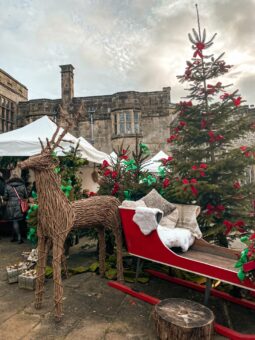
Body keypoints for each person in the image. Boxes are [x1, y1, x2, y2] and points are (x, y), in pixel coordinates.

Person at [4, 172, 28, 244]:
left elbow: (5, 197)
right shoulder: (22, 186)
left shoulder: (7, 186)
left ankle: (14, 238)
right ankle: (19, 238)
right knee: (17, 221)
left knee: (14, 221)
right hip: (19, 205)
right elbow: (25, 196)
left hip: (10, 205)